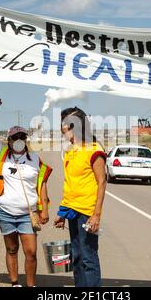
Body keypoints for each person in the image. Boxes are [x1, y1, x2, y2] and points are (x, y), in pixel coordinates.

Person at [0, 98, 52, 287]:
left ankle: (30, 285)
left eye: (22, 137)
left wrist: (44, 209)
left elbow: (42, 183)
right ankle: (15, 283)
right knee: (12, 248)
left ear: (26, 139)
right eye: (15, 137)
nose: (19, 140)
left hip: (28, 214)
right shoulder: (1, 154)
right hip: (5, 212)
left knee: (30, 252)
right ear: (9, 140)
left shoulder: (35, 158)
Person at [53, 107, 107, 287]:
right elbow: (70, 185)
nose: (61, 129)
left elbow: (102, 182)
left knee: (88, 258)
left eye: (64, 125)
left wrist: (96, 215)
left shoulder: (94, 149)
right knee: (76, 257)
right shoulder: (71, 151)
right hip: (73, 211)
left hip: (87, 213)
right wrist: (62, 212)